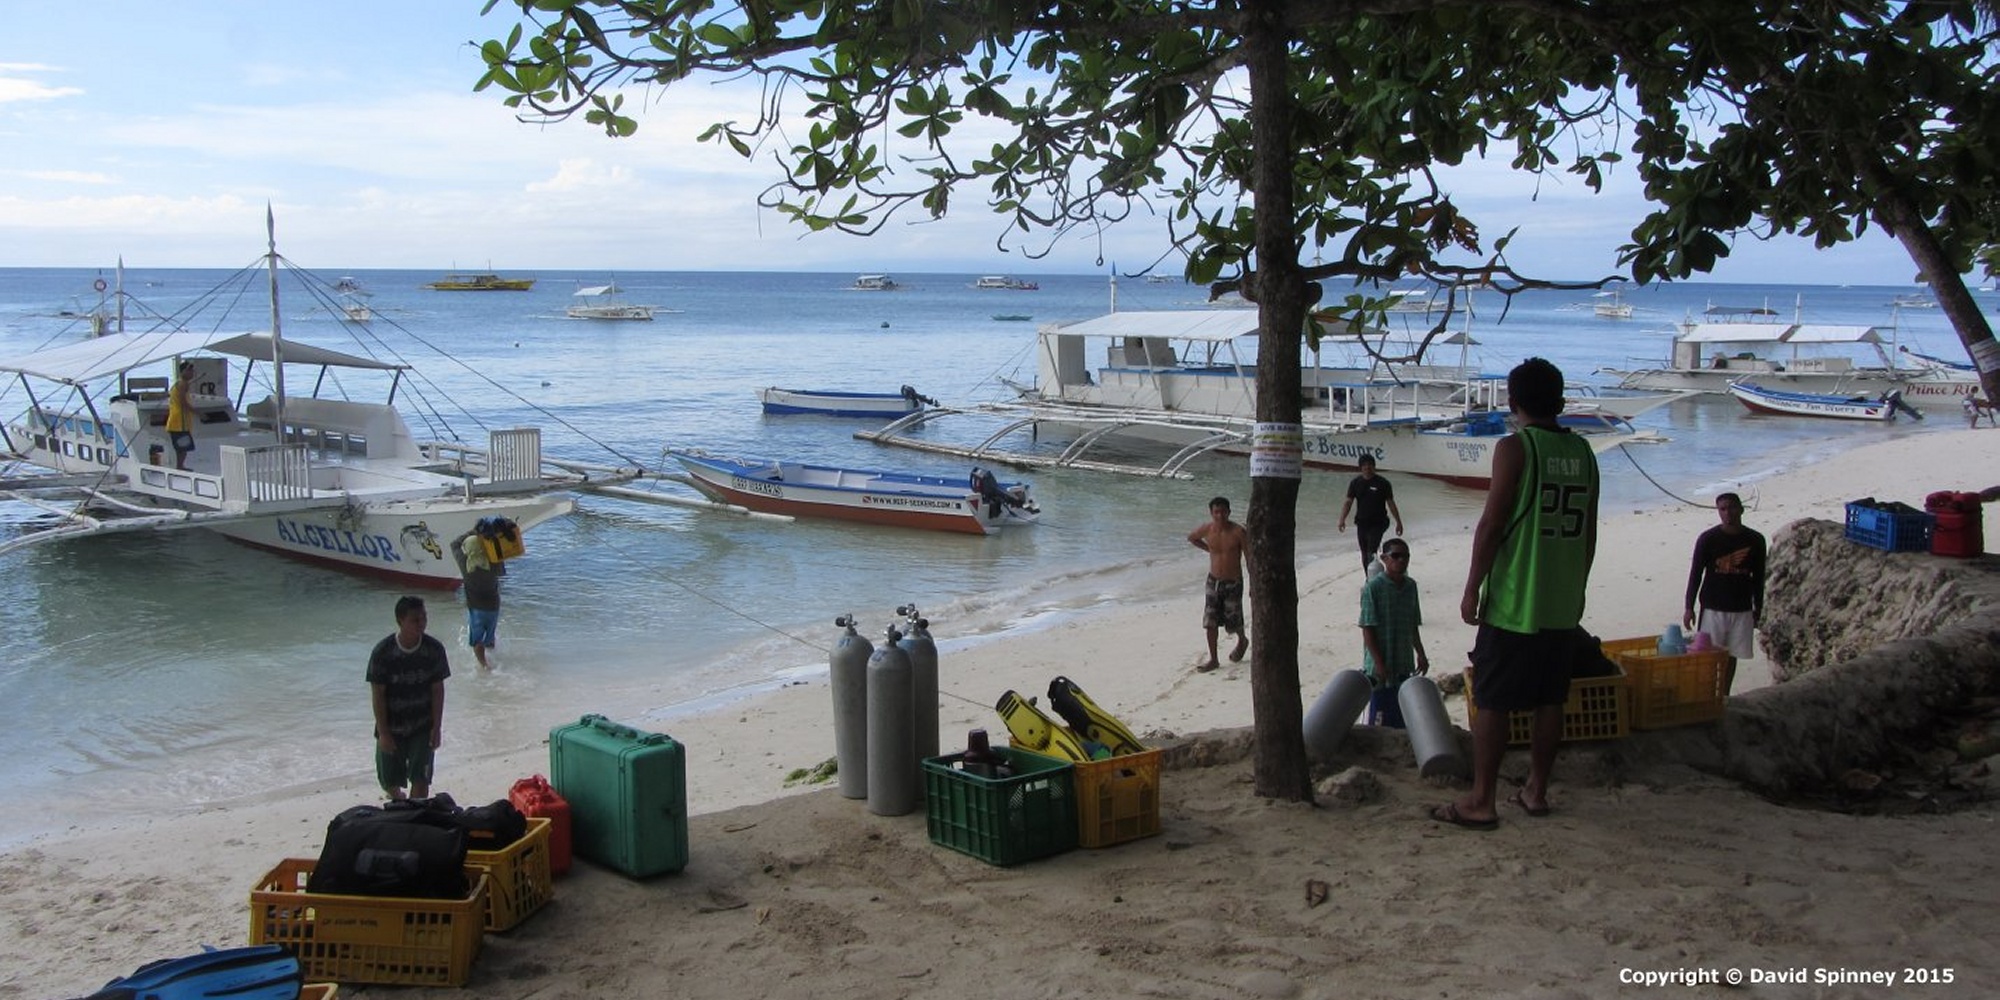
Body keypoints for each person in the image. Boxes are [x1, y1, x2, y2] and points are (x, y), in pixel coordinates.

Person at [1436, 357, 1599, 830]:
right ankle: (1536, 791)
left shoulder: (1515, 448)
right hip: (1562, 598)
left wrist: (1471, 588)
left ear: (1513, 401)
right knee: (1551, 699)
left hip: (1515, 597)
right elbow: (1588, 532)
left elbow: (1491, 525)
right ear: (1561, 401)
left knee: (1493, 698)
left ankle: (1482, 799)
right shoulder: (1586, 455)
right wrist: (1577, 585)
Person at [367, 595, 451, 801]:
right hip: (392, 725)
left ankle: (414, 816)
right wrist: (384, 733)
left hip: (422, 725)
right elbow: (378, 694)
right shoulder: (382, 652)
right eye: (415, 620)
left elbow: (438, 690)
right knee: (390, 782)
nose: (421, 624)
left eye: (424, 618)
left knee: (421, 780)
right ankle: (398, 801)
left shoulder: (434, 650)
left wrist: (436, 727)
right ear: (400, 621)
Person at [1683, 492, 1765, 689]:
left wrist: (1759, 607)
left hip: (1741, 606)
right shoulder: (1708, 539)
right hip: (1712, 606)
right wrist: (1689, 607)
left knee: (1732, 655)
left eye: (1732, 507)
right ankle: (1710, 694)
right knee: (1709, 655)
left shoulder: (1755, 540)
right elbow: (1695, 574)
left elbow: (1759, 577)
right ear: (1718, 512)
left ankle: (1725, 693)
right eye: (1723, 509)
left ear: (1742, 509)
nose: (1728, 513)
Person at [1359, 537, 1429, 727]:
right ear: (1384, 559)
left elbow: (1412, 624)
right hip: (1380, 664)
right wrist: (1379, 663)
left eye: (1405, 556)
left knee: (1402, 709)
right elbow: (1368, 629)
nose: (1401, 560)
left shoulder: (1411, 587)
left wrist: (1421, 654)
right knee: (1379, 715)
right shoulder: (1372, 588)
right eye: (1396, 556)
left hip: (1403, 661)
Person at [1187, 495, 1251, 673]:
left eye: (1223, 512)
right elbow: (1191, 537)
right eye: (1216, 512)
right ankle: (1214, 659)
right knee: (1210, 621)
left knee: (1234, 621)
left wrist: (1253, 584)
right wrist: (1208, 549)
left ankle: (1242, 640)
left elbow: (1249, 557)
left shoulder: (1238, 532)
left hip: (1233, 581)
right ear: (1211, 513)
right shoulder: (1207, 530)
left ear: (1229, 512)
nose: (1220, 516)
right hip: (1213, 581)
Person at [1337, 454, 1402, 571]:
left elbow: (1391, 503)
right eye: (1364, 465)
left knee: (1371, 550)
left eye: (1370, 465)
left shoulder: (1383, 483)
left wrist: (1398, 522)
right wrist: (1342, 519)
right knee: (1364, 552)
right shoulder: (1355, 483)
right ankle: (1369, 577)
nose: (1367, 467)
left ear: (1374, 467)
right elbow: (1348, 502)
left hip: (1379, 522)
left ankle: (1374, 577)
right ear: (1360, 467)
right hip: (1362, 523)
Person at [458, 525, 506, 670]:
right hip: (493, 608)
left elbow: (454, 543)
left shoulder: (464, 566)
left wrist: (474, 531)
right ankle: (493, 654)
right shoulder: (493, 565)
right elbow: (502, 570)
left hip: (477, 610)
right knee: (490, 636)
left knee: (477, 640)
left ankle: (484, 665)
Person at [165, 360, 196, 470]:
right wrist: (197, 412)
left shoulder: (179, 383)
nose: (192, 373)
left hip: (177, 420)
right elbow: (183, 402)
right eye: (189, 371)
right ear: (183, 372)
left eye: (192, 371)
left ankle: (180, 465)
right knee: (183, 445)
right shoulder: (182, 384)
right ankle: (180, 466)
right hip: (179, 421)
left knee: (183, 446)